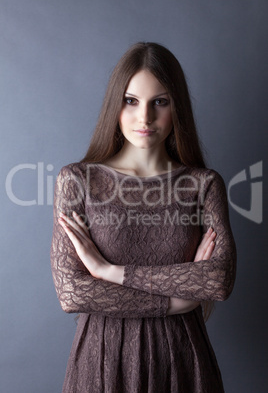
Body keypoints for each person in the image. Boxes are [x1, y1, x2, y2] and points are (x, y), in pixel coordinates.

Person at [50, 42, 237, 393]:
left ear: (177, 106)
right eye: (131, 100)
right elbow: (72, 293)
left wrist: (109, 273)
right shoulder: (77, 181)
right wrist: (180, 299)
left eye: (160, 102)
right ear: (114, 105)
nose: (145, 117)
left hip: (183, 358)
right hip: (102, 359)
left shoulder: (203, 185)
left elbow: (218, 280)